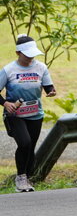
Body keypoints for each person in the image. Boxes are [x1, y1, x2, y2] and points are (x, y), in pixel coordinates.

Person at [0, 35, 57, 193]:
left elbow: (48, 86)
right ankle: (20, 178)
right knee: (24, 143)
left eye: (32, 54)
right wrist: (6, 103)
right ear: (18, 53)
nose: (30, 57)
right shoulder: (8, 70)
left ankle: (28, 177)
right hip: (15, 115)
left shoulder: (41, 67)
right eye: (27, 54)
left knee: (30, 147)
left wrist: (51, 92)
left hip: (35, 114)